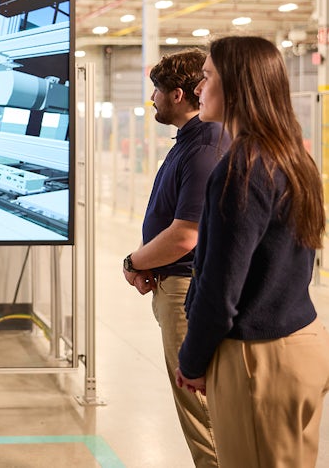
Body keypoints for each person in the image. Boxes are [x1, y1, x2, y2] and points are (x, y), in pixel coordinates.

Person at [175, 36, 329, 467]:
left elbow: (220, 287)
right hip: (301, 342)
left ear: (237, 87)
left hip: (259, 359)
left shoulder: (241, 168)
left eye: (207, 77)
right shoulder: (292, 157)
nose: (198, 88)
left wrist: (192, 361)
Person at [122, 48, 228, 467]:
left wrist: (135, 262)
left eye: (157, 91)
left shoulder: (205, 148)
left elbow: (185, 235)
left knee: (200, 408)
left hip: (186, 289)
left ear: (178, 94)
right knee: (198, 406)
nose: (152, 99)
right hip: (179, 285)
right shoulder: (190, 142)